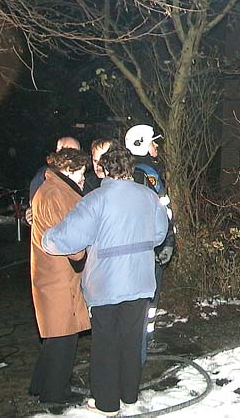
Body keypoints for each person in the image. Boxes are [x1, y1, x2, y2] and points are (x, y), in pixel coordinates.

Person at [42, 145, 168, 416]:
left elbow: (69, 237)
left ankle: (107, 405)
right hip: (141, 281)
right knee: (132, 341)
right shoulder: (148, 197)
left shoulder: (96, 199)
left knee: (106, 344)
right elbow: (159, 234)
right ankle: (129, 397)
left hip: (107, 285)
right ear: (130, 169)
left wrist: (45, 238)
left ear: (104, 170)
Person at [28, 148, 91, 405]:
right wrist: (85, 254)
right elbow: (71, 240)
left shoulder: (53, 188)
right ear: (67, 169)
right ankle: (55, 394)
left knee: (55, 336)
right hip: (58, 278)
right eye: (81, 173)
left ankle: (40, 384)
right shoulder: (56, 194)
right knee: (64, 337)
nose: (83, 179)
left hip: (52, 274)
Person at [124, 124, 176, 360]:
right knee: (149, 297)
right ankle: (143, 343)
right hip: (150, 248)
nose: (156, 146)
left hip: (139, 248)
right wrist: (168, 241)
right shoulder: (148, 173)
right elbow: (162, 210)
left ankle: (143, 340)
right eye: (153, 142)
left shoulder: (129, 170)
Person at [29, 137, 81, 202]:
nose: (71, 157)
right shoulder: (42, 176)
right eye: (66, 152)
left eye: (75, 153)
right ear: (57, 152)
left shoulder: (84, 178)